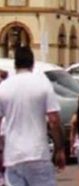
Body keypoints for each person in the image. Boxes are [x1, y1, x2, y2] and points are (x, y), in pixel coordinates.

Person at [0, 47, 65, 186]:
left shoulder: (4, 87)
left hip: (13, 156)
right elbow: (53, 120)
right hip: (38, 153)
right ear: (32, 63)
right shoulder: (43, 84)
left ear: (15, 64)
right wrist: (60, 149)